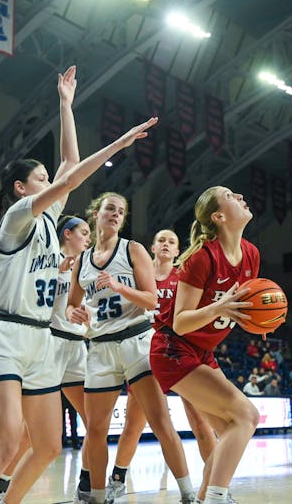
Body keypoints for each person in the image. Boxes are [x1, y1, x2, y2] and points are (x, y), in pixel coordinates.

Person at [0, 64, 158, 504]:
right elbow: (71, 176)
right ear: (21, 188)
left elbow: (69, 164)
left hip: (43, 342)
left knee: (48, 445)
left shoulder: (52, 223)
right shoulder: (16, 219)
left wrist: (65, 104)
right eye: (40, 180)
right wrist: (121, 143)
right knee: (8, 442)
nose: (50, 184)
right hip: (8, 336)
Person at [66, 195, 194, 504]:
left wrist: (120, 287)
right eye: (110, 208)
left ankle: (189, 494)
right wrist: (74, 312)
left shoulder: (133, 249)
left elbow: (152, 300)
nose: (115, 214)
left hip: (137, 342)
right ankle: (98, 496)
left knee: (161, 422)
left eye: (121, 212)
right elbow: (71, 303)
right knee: (95, 430)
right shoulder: (82, 261)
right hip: (99, 348)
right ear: (96, 213)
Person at [149, 186, 260, 504]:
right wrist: (219, 308)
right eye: (230, 195)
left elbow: (243, 307)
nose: (240, 195)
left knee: (230, 429)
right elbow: (181, 321)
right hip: (172, 349)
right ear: (219, 216)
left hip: (200, 352)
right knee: (247, 417)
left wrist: (259, 320)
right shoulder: (201, 258)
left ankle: (203, 499)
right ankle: (216, 497)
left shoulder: (251, 254)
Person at [106, 229, 220, 503]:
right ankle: (117, 481)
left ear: (178, 251)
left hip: (181, 352)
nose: (166, 244)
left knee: (201, 425)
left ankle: (215, 486)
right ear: (152, 248)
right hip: (146, 351)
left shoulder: (184, 277)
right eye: (161, 240)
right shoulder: (138, 277)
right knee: (133, 426)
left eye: (172, 241)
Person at [0, 214, 93, 504]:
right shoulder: (48, 259)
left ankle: (87, 482)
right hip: (50, 342)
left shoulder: (89, 267)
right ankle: (1, 483)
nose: (88, 237)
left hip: (77, 347)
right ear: (67, 234)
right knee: (29, 431)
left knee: (95, 420)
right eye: (83, 232)